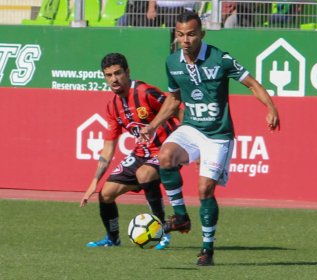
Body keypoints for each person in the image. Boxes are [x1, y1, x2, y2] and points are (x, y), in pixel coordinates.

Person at [140, 11, 280, 266]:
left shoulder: (220, 59)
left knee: (205, 189)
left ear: (201, 34)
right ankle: (180, 215)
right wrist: (152, 125)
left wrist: (270, 107)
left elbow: (252, 84)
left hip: (217, 134)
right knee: (165, 156)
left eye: (191, 34)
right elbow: (173, 100)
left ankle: (207, 249)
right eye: (180, 34)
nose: (185, 40)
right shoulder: (172, 62)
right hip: (191, 127)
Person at [80, 53, 181, 250]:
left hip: (168, 149)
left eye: (118, 73)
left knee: (144, 174)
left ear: (127, 72)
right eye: (108, 75)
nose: (114, 79)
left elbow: (176, 108)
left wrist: (191, 141)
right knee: (105, 194)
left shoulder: (144, 92)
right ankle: (112, 238)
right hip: (141, 152)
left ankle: (161, 234)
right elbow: (109, 147)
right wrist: (93, 182)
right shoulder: (112, 106)